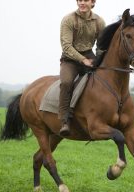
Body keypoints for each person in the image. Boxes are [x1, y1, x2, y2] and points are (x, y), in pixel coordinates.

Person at [59, 0, 105, 136]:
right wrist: (83, 60)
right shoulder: (68, 19)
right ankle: (64, 121)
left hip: (90, 56)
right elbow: (66, 46)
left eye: (85, 0)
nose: (82, 3)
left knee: (102, 81)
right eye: (80, 0)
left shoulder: (99, 22)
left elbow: (102, 45)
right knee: (66, 82)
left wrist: (98, 59)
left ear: (93, 2)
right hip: (70, 60)